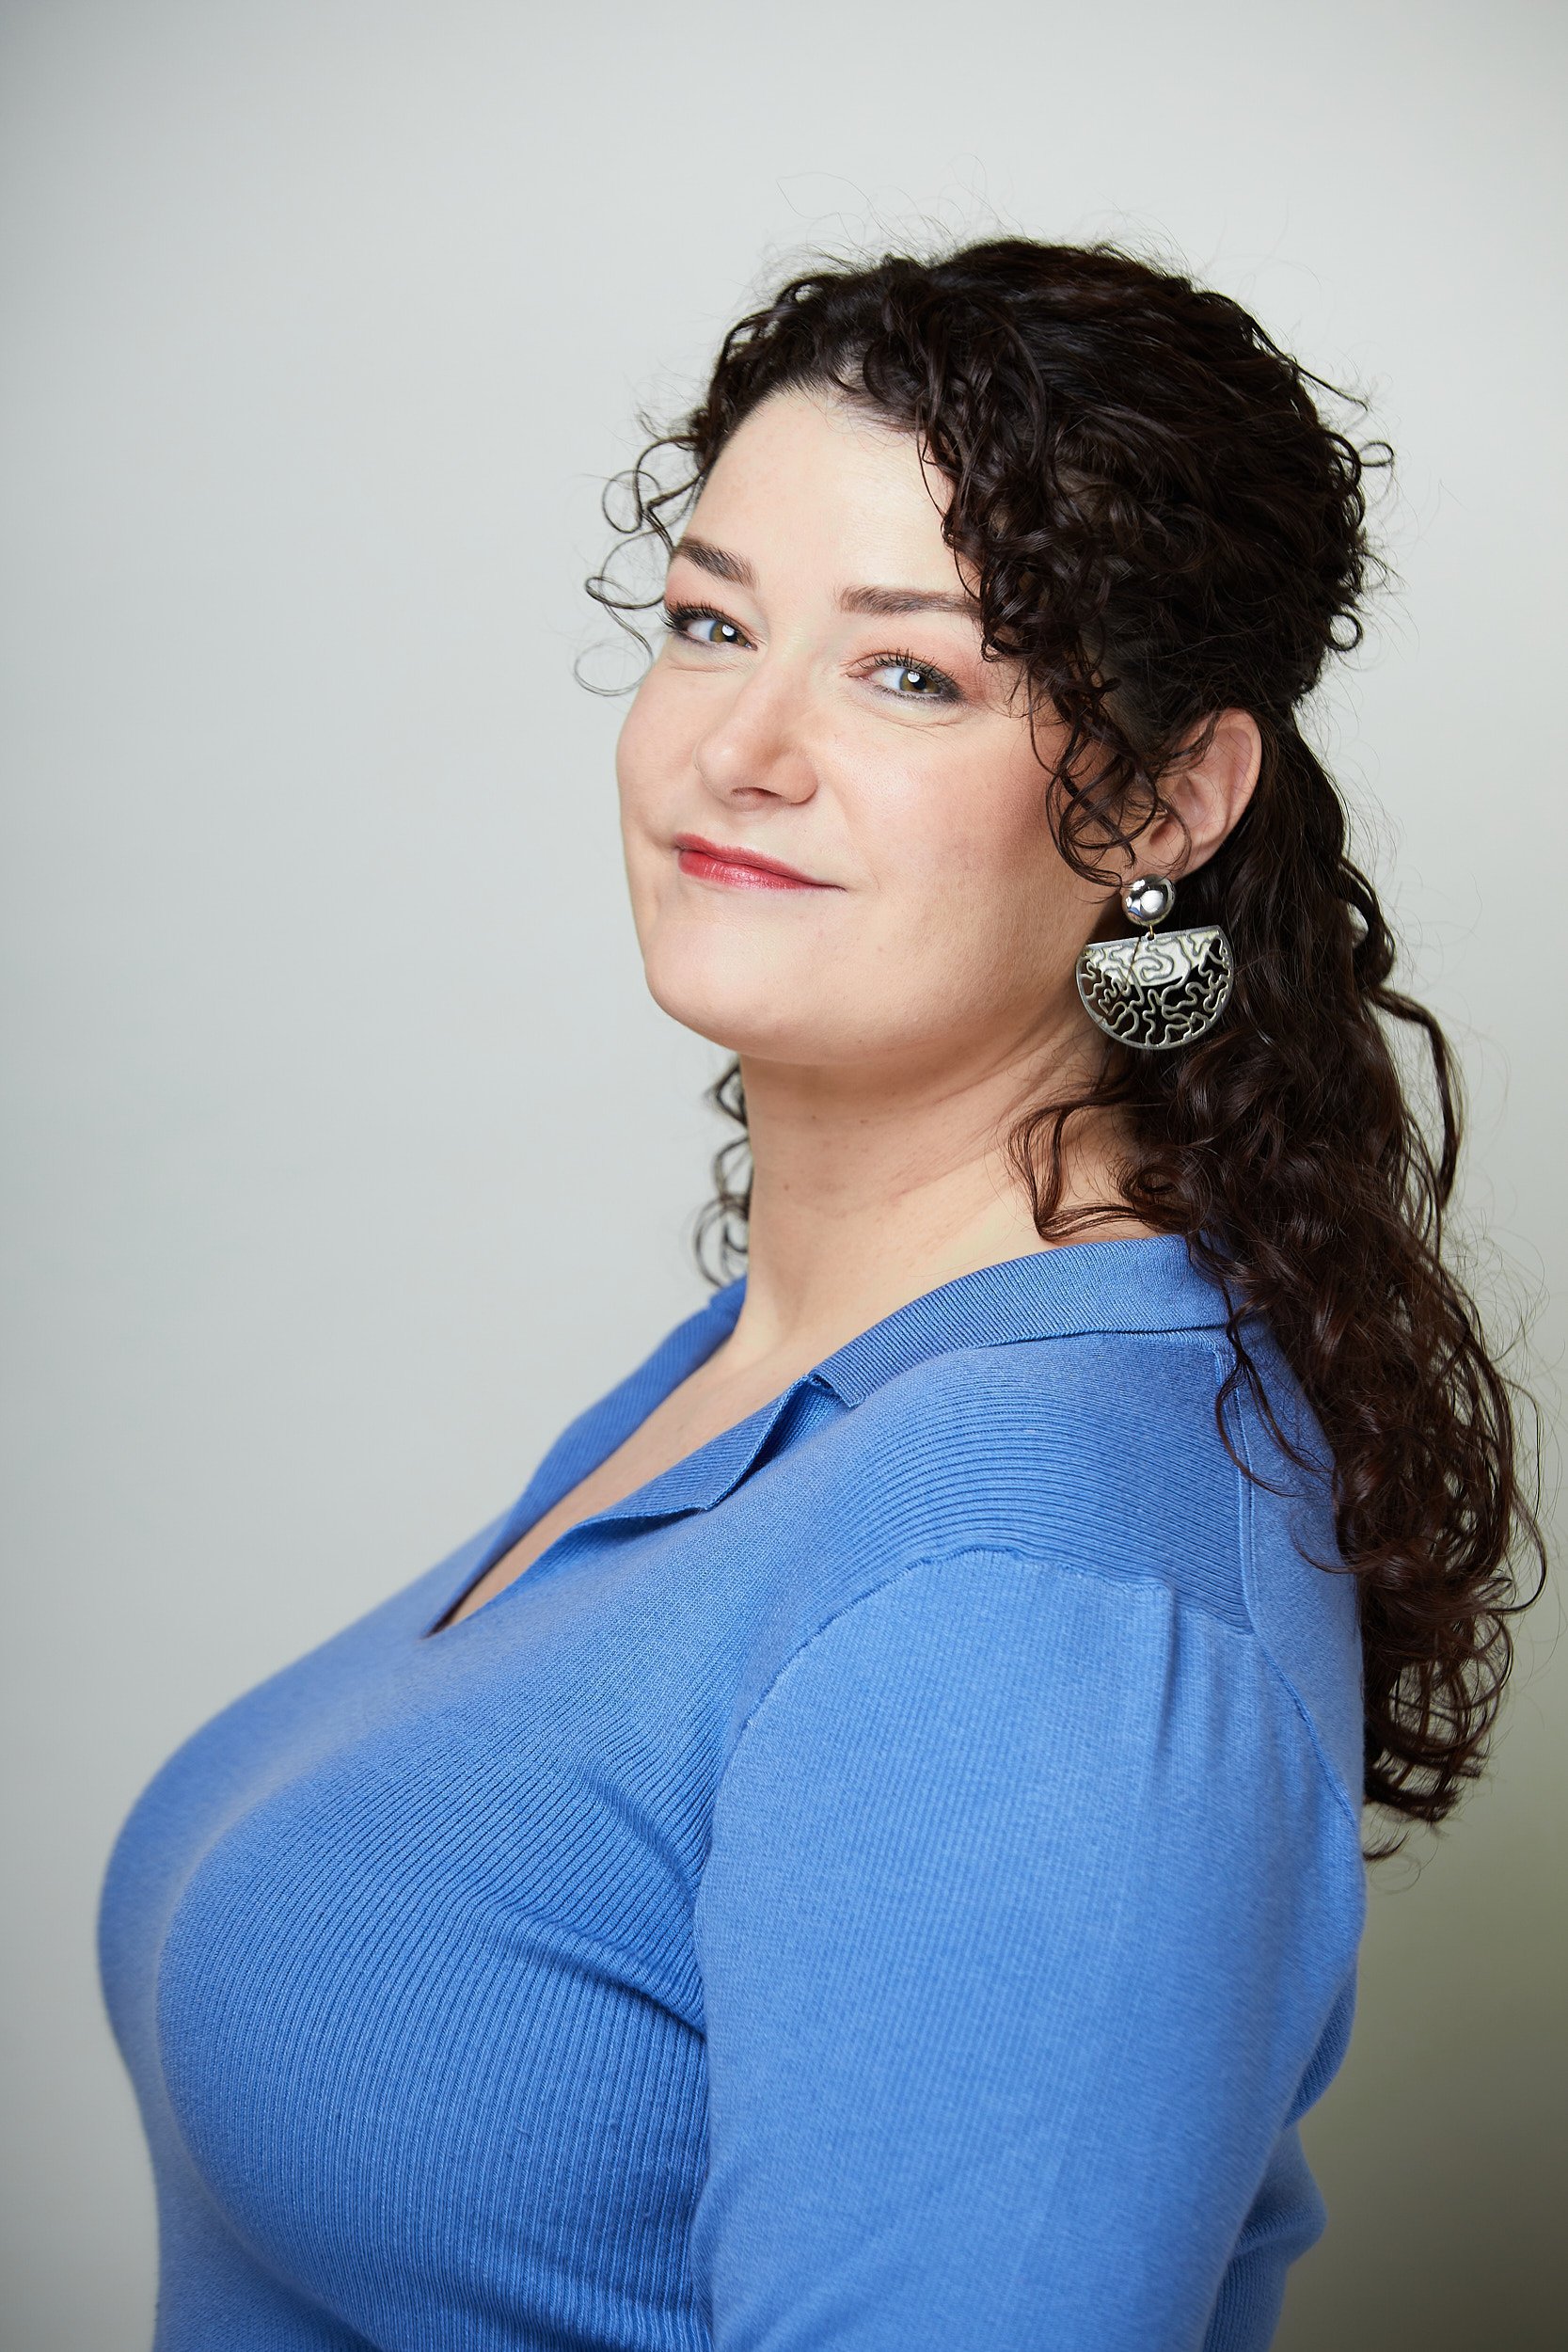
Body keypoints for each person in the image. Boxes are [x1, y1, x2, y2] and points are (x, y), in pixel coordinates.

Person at [97, 237, 1543, 2352]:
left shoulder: (1032, 1576)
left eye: (908, 674)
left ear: (1167, 798)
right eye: (711, 624)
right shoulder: (780, 1374)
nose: (739, 749)